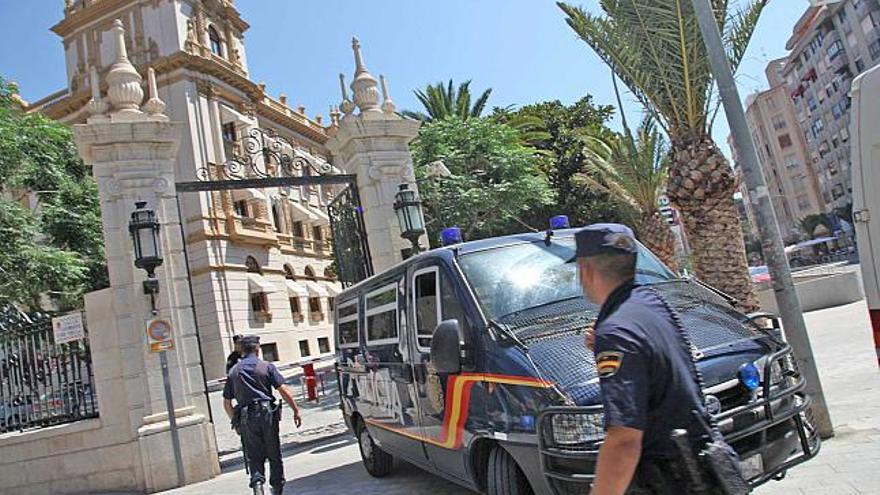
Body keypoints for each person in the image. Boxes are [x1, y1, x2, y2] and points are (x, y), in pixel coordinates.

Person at [574, 224, 744, 495]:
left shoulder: (616, 332)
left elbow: (624, 439)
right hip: (705, 468)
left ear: (586, 270)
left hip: (676, 480)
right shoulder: (651, 304)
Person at [224, 335, 302, 495]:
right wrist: (295, 410)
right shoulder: (266, 366)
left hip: (246, 418)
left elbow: (226, 403)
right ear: (257, 349)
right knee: (274, 452)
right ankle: (277, 488)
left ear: (243, 351)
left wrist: (236, 422)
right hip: (267, 416)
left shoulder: (234, 371)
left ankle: (258, 486)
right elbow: (283, 390)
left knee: (254, 456)